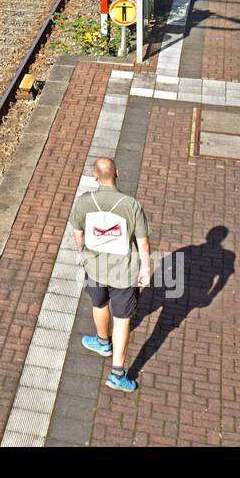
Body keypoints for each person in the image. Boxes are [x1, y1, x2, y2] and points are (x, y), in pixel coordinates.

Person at [70, 157, 151, 392]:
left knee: (99, 302)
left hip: (94, 267)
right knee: (123, 318)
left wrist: (83, 254)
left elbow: (78, 233)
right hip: (123, 273)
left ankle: (103, 342)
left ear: (95, 176)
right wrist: (145, 269)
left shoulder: (83, 202)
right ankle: (117, 374)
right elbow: (143, 243)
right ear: (118, 172)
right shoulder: (131, 204)